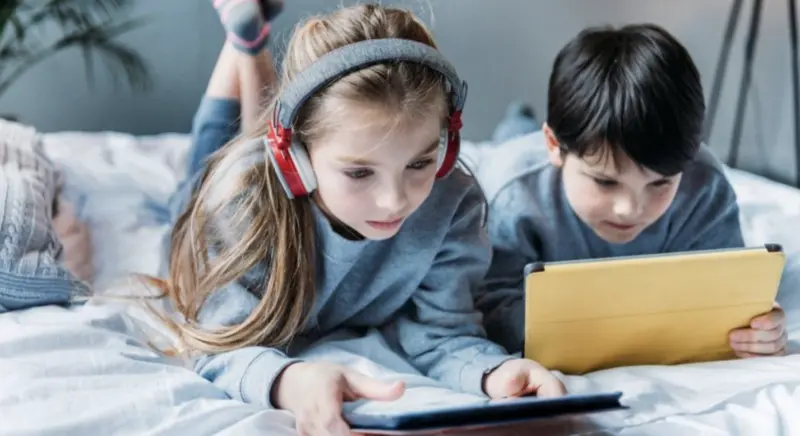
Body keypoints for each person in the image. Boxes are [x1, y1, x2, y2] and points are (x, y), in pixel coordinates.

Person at [154, 2, 566, 435]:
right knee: (211, 161)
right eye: (359, 172)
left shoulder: (452, 204)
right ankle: (246, 43)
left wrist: (493, 373)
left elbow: (442, 332)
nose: (394, 202)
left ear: (446, 147)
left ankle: (249, 42)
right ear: (296, 159)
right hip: (218, 191)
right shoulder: (238, 201)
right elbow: (215, 342)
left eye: (419, 164)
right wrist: (288, 382)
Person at [470, 24, 788, 359]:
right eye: (605, 182)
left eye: (660, 183)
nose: (629, 208)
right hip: (519, 155)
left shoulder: (705, 188)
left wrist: (759, 325)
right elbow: (491, 305)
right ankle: (518, 120)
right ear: (555, 146)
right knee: (512, 137)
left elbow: (729, 293)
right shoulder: (512, 196)